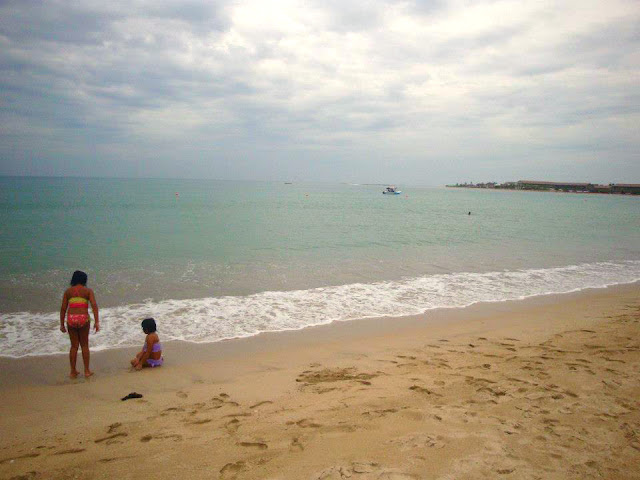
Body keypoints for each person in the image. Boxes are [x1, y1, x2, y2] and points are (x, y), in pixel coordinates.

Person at [60, 270, 99, 378]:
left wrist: (62, 324)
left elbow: (63, 308)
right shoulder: (88, 291)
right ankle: (87, 371)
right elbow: (94, 306)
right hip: (83, 319)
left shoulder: (68, 292)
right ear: (84, 280)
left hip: (71, 319)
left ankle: (73, 371)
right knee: (84, 345)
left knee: (74, 346)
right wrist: (96, 322)